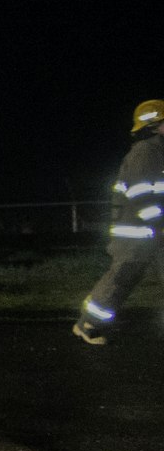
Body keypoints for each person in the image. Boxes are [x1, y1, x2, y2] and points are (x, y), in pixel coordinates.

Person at [73, 99, 164, 345]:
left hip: (151, 232)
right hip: (137, 234)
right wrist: (160, 223)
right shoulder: (146, 152)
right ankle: (88, 325)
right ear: (155, 125)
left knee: (124, 279)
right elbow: (141, 194)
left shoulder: (158, 153)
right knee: (120, 280)